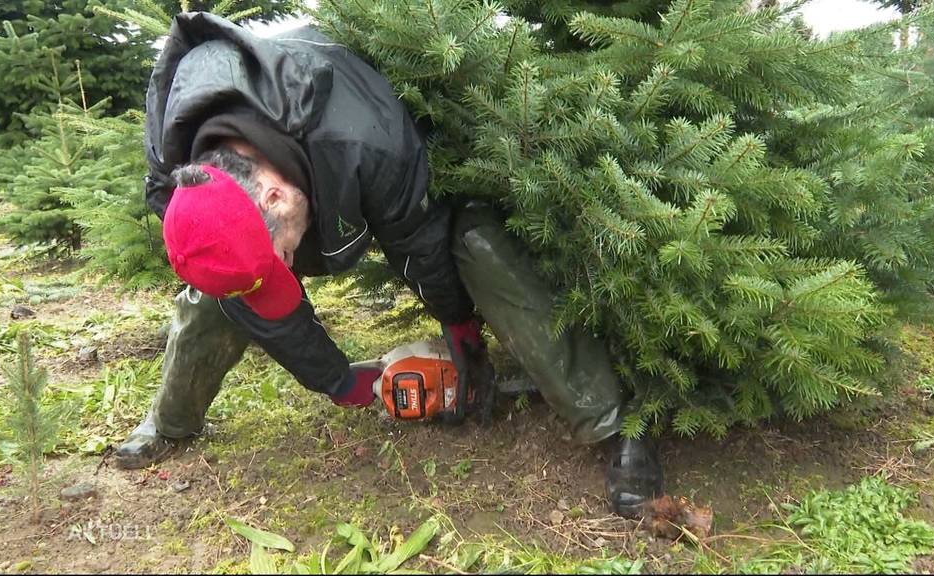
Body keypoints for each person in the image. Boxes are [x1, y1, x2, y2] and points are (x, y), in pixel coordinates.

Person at [113, 12, 663, 518]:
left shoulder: (362, 135)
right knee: (217, 288)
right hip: (295, 168)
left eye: (280, 259)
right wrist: (339, 382)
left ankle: (614, 422)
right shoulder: (174, 158)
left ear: (277, 197)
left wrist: (461, 330)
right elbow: (256, 300)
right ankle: (171, 420)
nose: (286, 270)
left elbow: (416, 239)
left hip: (355, 142)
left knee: (477, 242)